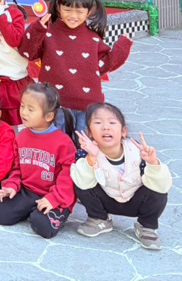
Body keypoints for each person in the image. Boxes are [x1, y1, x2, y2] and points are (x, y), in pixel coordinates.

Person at [21, 0, 132, 135]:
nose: (73, 16)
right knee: (58, 141)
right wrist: (37, 29)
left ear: (89, 12)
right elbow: (28, 52)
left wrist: (122, 47)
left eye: (79, 12)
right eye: (67, 10)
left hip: (88, 105)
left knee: (84, 143)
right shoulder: (47, 32)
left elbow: (105, 65)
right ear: (58, 7)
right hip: (54, 104)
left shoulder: (93, 38)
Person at [73, 102, 172, 250]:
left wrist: (153, 163)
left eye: (112, 123)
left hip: (135, 201)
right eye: (98, 123)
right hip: (105, 199)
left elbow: (163, 186)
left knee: (158, 191)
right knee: (79, 176)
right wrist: (91, 158)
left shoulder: (137, 152)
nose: (106, 127)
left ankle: (146, 226)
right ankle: (99, 218)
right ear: (89, 132)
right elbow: (82, 183)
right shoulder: (85, 153)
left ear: (123, 131)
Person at [0, 82, 76, 239]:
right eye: (22, 106)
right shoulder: (21, 137)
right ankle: (33, 210)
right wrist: (11, 186)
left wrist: (54, 199)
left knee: (42, 226)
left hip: (53, 193)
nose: (23, 112)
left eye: (30, 109)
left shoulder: (63, 143)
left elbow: (69, 176)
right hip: (28, 191)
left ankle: (49, 212)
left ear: (48, 116)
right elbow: (16, 168)